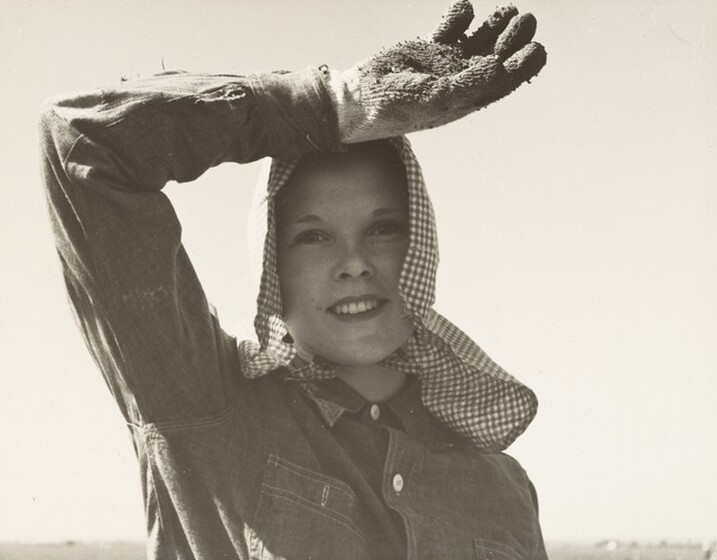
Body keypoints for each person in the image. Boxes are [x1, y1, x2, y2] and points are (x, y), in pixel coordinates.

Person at [39, 1, 548, 558]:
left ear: (421, 242)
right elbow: (82, 142)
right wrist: (336, 106)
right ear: (271, 262)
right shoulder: (205, 404)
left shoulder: (503, 486)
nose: (354, 262)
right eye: (314, 236)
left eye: (382, 229)